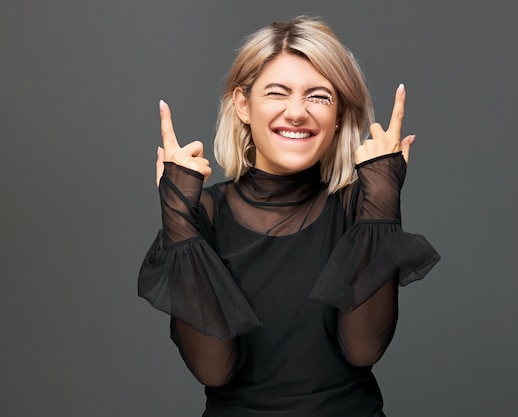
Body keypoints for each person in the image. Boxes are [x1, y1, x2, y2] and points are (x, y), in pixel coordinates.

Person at [139, 15, 440, 417]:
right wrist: (177, 214)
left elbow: (364, 348)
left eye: (318, 96)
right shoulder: (204, 214)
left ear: (338, 115)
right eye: (277, 93)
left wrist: (383, 199)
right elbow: (214, 369)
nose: (297, 112)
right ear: (243, 105)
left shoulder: (361, 206)